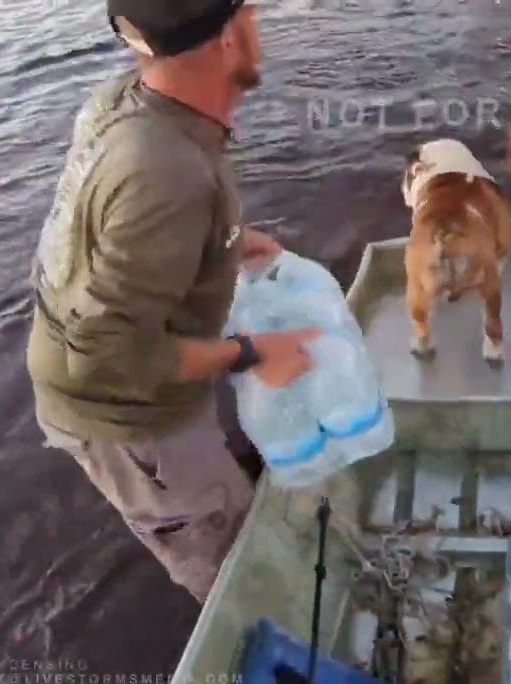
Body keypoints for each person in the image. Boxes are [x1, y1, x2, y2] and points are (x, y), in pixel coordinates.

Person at [26, 0, 319, 603]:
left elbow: (106, 236)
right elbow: (110, 358)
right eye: (250, 12)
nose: (258, 19)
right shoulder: (168, 173)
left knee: (227, 489)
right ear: (230, 39)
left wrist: (227, 242)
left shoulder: (127, 102)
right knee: (231, 557)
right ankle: (264, 631)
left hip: (109, 352)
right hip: (126, 413)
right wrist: (249, 352)